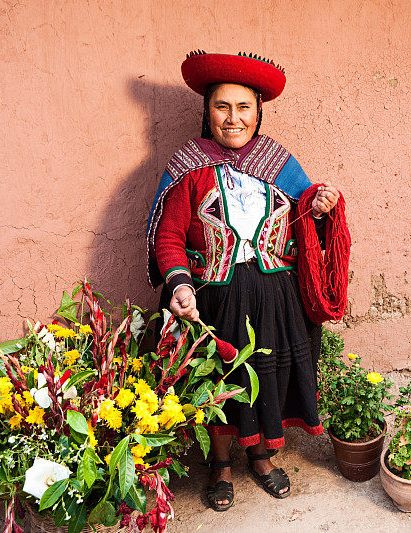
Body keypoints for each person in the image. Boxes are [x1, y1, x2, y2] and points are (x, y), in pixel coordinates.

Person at [144, 51, 346, 511]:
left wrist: (317, 208)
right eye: (222, 107)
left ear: (258, 112)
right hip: (213, 298)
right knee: (218, 380)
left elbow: (303, 220)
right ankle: (220, 465)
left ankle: (260, 455)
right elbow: (169, 236)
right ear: (207, 112)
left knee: (267, 377)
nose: (233, 119)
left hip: (276, 295)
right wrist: (179, 286)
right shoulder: (189, 167)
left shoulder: (278, 162)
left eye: (243, 108)